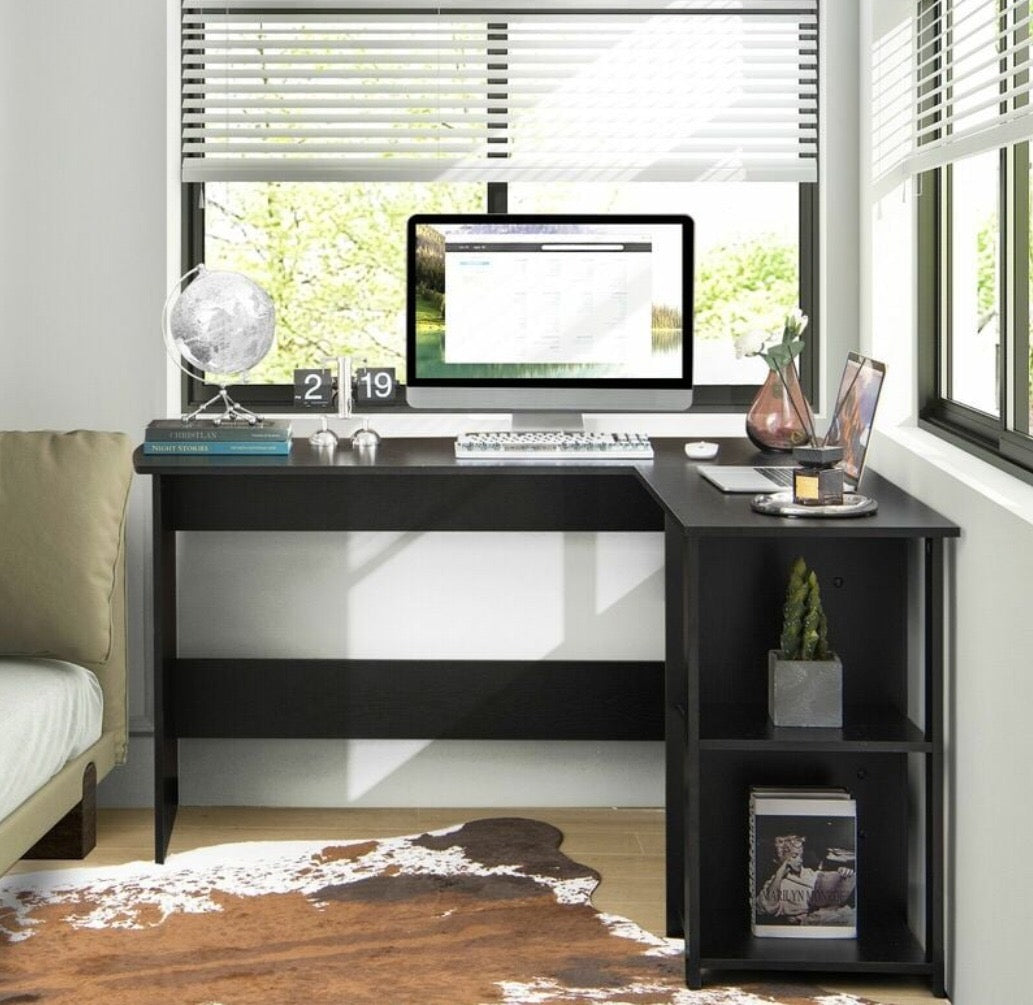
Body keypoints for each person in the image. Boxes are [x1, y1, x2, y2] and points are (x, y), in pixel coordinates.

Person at [756, 833, 855, 921]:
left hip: (836, 913)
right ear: (776, 860)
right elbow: (768, 908)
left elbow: (829, 884)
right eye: (792, 857)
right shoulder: (773, 883)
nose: (798, 860)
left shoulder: (811, 873)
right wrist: (782, 869)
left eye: (797, 855)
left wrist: (843, 873)